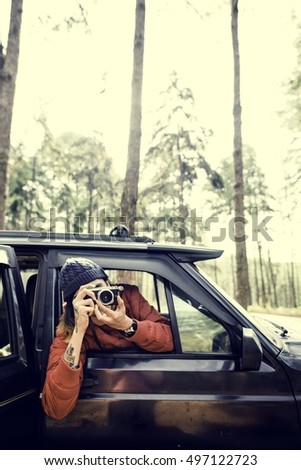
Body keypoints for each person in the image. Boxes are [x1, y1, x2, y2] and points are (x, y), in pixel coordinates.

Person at [41, 257, 174, 420]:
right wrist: (79, 330)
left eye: (99, 289)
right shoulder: (73, 326)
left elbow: (169, 339)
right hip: (110, 401)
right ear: (73, 306)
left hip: (151, 391)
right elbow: (56, 409)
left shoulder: (130, 298)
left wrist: (126, 324)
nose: (97, 300)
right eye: (87, 295)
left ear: (109, 285)